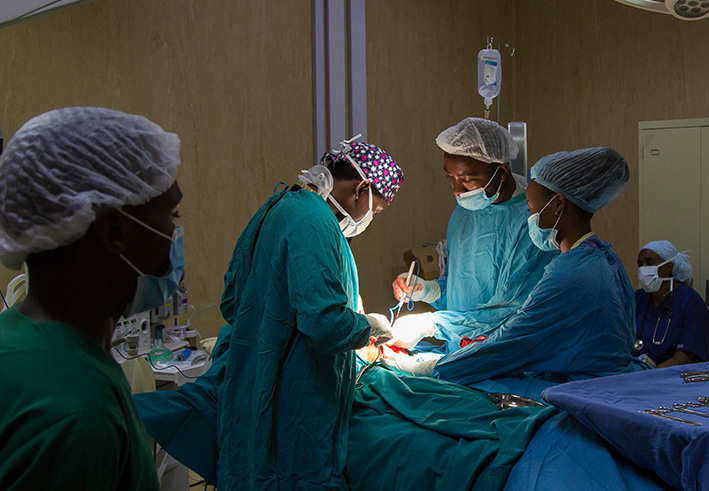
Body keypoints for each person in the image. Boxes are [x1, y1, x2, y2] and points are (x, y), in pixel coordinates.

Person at [0, 107, 183, 490]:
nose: (174, 237)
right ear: (115, 231)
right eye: (172, 215)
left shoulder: (16, 340)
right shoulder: (81, 417)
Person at [385, 147, 648, 400]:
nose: (530, 219)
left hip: (589, 396)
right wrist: (433, 308)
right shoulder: (603, 257)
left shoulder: (572, 273)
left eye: (532, 210)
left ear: (558, 204)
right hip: (607, 387)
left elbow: (511, 343)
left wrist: (429, 367)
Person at [215, 137, 402, 489]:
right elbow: (325, 323)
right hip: (295, 400)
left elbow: (233, 300)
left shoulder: (277, 207)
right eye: (375, 211)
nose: (369, 219)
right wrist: (368, 326)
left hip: (251, 383)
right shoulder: (316, 223)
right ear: (362, 189)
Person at [390, 117, 557, 351]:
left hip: (505, 359)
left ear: (501, 172)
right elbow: (462, 288)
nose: (457, 190)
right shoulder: (464, 212)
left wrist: (431, 325)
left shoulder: (531, 222)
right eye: (451, 178)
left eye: (467, 180)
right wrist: (429, 290)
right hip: (459, 349)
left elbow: (512, 313)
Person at [634, 240, 709, 367]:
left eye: (649, 263)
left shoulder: (690, 302)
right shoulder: (639, 298)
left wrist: (649, 376)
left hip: (675, 376)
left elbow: (684, 357)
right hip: (639, 370)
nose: (643, 269)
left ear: (668, 268)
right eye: (640, 265)